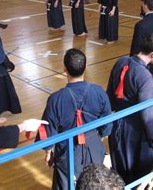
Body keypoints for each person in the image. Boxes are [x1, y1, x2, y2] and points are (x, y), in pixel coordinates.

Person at [37, 49, 112, 190]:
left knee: (66, 183)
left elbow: (48, 128)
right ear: (86, 67)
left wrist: (48, 151)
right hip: (94, 146)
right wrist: (98, 137)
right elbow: (107, 123)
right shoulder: (98, 91)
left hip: (67, 149)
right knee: (95, 182)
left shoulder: (56, 99)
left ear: (64, 69)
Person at [107, 33, 153, 183]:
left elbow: (110, 92)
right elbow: (149, 113)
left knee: (120, 169)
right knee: (138, 170)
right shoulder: (144, 76)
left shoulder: (121, 61)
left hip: (116, 123)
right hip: (134, 130)